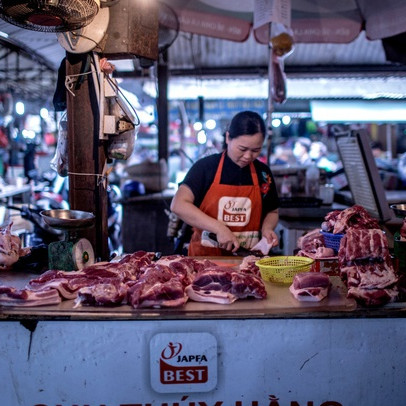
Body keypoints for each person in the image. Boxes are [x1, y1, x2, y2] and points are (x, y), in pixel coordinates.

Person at [170, 111, 279, 256]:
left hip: (247, 261)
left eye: (255, 150)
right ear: (228, 138)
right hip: (205, 262)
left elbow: (272, 211)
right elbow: (178, 204)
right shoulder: (206, 167)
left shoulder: (263, 174)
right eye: (242, 149)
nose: (248, 156)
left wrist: (267, 228)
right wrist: (218, 228)